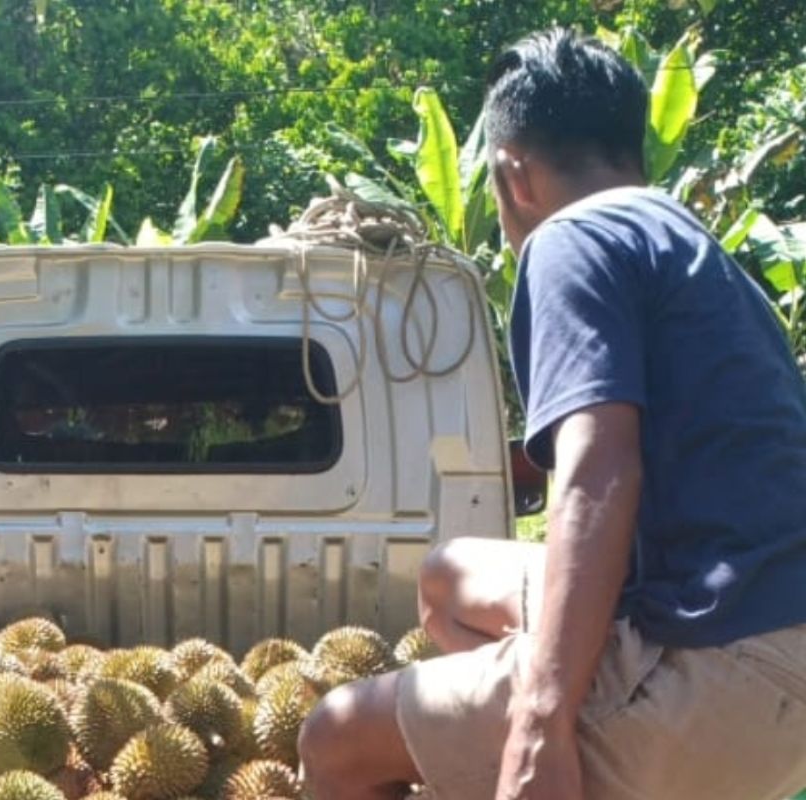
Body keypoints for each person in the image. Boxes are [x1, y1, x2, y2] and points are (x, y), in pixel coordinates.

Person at [299, 28, 806, 800]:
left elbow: (598, 470)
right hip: (772, 630)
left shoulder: (569, 239)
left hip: (727, 667)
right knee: (447, 578)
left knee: (334, 735)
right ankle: (537, 730)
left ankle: (570, 731)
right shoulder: (690, 248)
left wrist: (541, 721)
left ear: (513, 174)